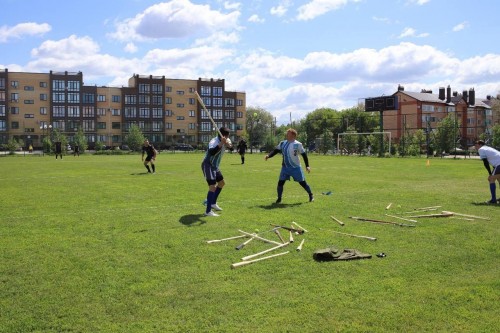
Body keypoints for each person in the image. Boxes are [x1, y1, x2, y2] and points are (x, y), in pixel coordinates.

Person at [265, 128, 314, 204]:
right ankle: (279, 199)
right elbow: (276, 151)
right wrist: (269, 155)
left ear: (293, 135)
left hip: (295, 168)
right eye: (287, 133)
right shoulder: (282, 143)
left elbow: (304, 155)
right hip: (285, 168)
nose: (286, 135)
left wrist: (307, 166)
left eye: (288, 133)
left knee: (302, 182)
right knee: (280, 182)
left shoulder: (298, 144)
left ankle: (311, 195)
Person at [201, 127, 232, 217]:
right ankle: (208, 211)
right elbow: (211, 152)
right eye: (227, 136)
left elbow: (231, 149)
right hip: (208, 164)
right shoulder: (214, 141)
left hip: (215, 166)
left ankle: (213, 203)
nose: (228, 137)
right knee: (212, 186)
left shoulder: (227, 139)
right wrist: (221, 143)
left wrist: (229, 145)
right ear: (223, 135)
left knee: (221, 183)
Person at [474, 140, 500, 204]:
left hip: (499, 164)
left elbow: (485, 162)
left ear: (480, 145)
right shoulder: (488, 148)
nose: (475, 147)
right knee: (499, 179)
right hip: (498, 164)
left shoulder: (481, 149)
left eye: (476, 145)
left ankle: (493, 200)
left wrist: (490, 173)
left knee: (491, 179)